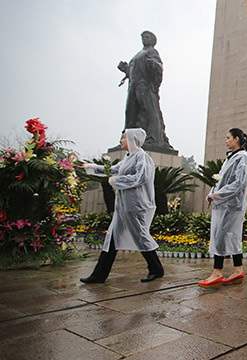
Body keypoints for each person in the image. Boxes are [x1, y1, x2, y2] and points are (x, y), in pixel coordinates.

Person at [81, 128, 164, 283]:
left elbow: (140, 178)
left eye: (124, 137)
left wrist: (116, 181)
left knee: (140, 237)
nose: (121, 140)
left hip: (136, 206)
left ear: (133, 139)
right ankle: (99, 275)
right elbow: (111, 170)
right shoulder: (127, 158)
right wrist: (90, 167)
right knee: (112, 238)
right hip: (123, 206)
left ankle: (156, 269)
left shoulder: (142, 157)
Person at [198, 128, 247, 288]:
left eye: (228, 137)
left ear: (236, 139)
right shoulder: (232, 158)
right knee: (232, 236)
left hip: (231, 204)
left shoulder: (243, 157)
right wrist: (212, 193)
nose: (226, 140)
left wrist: (216, 195)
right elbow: (220, 180)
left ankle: (217, 272)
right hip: (225, 204)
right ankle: (238, 270)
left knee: (221, 235)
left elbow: (238, 183)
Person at [116, 31, 175, 154]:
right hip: (133, 87)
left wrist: (154, 65)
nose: (145, 39)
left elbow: (158, 68)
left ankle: (153, 139)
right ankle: (127, 139)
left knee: (150, 112)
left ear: (153, 40)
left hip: (145, 87)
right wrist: (125, 69)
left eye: (148, 37)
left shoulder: (151, 52)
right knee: (131, 113)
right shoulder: (138, 54)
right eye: (143, 37)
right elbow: (133, 72)